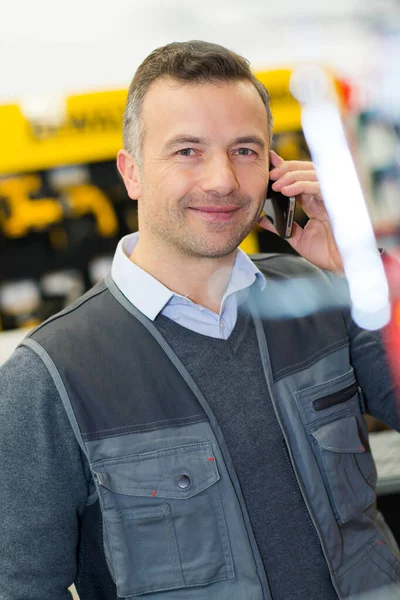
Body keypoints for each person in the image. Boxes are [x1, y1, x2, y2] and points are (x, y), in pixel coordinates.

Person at [0, 40, 399, 600]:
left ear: (274, 169)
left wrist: (367, 266)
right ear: (131, 173)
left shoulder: (326, 298)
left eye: (244, 150)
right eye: (187, 151)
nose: (223, 181)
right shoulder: (46, 379)